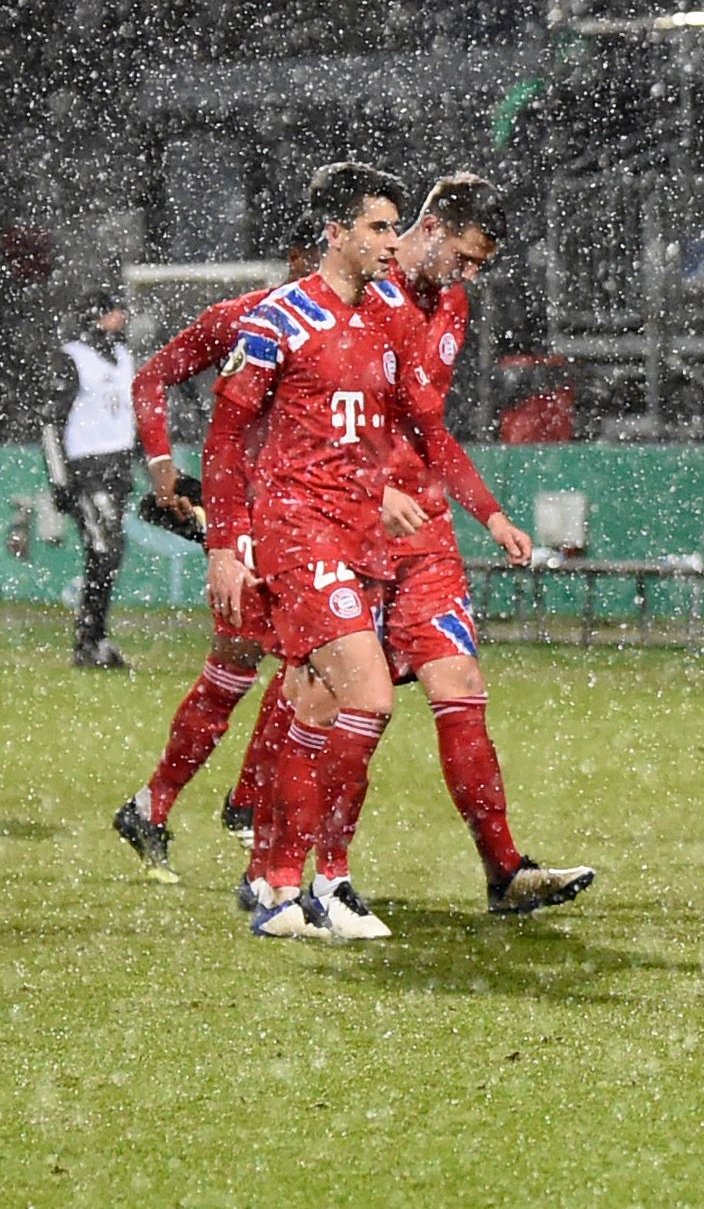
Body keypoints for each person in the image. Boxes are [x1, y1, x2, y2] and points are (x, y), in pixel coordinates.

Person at [204, 163, 495, 939]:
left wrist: (477, 508)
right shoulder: (278, 319)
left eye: (394, 227)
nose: (390, 242)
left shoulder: (387, 324)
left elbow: (419, 427)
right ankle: (322, 878)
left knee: (316, 705)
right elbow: (228, 440)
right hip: (299, 532)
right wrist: (227, 545)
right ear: (335, 234)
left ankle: (280, 881)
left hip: (361, 534)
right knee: (370, 696)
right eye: (376, 227)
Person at [362, 174, 589, 915]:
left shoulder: (452, 304)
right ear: (429, 228)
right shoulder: (359, 296)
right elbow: (306, 421)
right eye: (464, 256)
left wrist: (488, 514)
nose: (470, 275)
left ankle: (504, 873)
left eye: (481, 263)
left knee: (459, 689)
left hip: (424, 534)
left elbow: (428, 427)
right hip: (348, 526)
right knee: (327, 705)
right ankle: (284, 868)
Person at [108, 251, 314, 880]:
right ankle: (222, 805)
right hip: (253, 520)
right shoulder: (251, 317)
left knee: (305, 662)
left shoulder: (363, 323)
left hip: (312, 520)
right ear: (310, 253)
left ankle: (209, 803)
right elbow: (152, 378)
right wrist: (161, 461)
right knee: (268, 661)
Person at [47, 289, 137, 668]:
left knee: (108, 553)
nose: (122, 317)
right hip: (88, 470)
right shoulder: (74, 359)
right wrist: (60, 479)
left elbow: (134, 413)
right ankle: (90, 640)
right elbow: (51, 421)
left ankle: (93, 638)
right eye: (115, 311)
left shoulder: (123, 358)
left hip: (116, 469)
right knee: (104, 550)